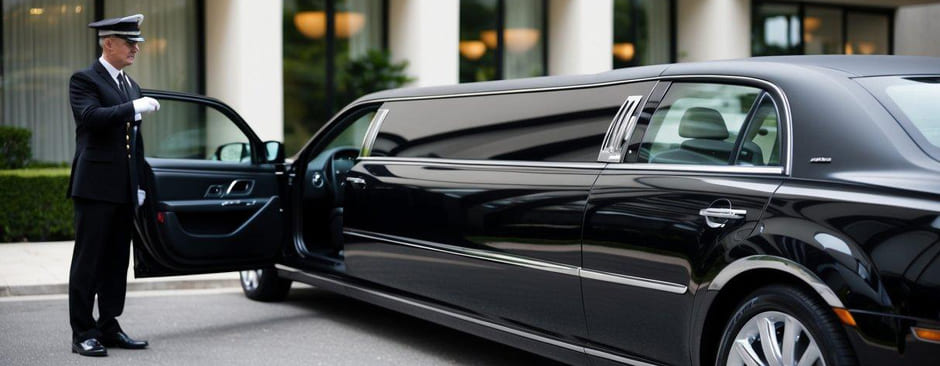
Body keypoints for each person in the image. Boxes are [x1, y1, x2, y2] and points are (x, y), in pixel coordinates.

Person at [67, 14, 160, 357]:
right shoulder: (84, 80)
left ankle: (108, 325)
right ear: (109, 43)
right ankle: (82, 332)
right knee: (88, 261)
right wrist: (131, 107)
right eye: (129, 42)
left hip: (122, 189)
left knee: (117, 261)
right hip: (94, 187)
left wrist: (139, 184)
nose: (136, 47)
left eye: (137, 42)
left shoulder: (130, 84)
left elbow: (134, 144)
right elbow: (90, 117)